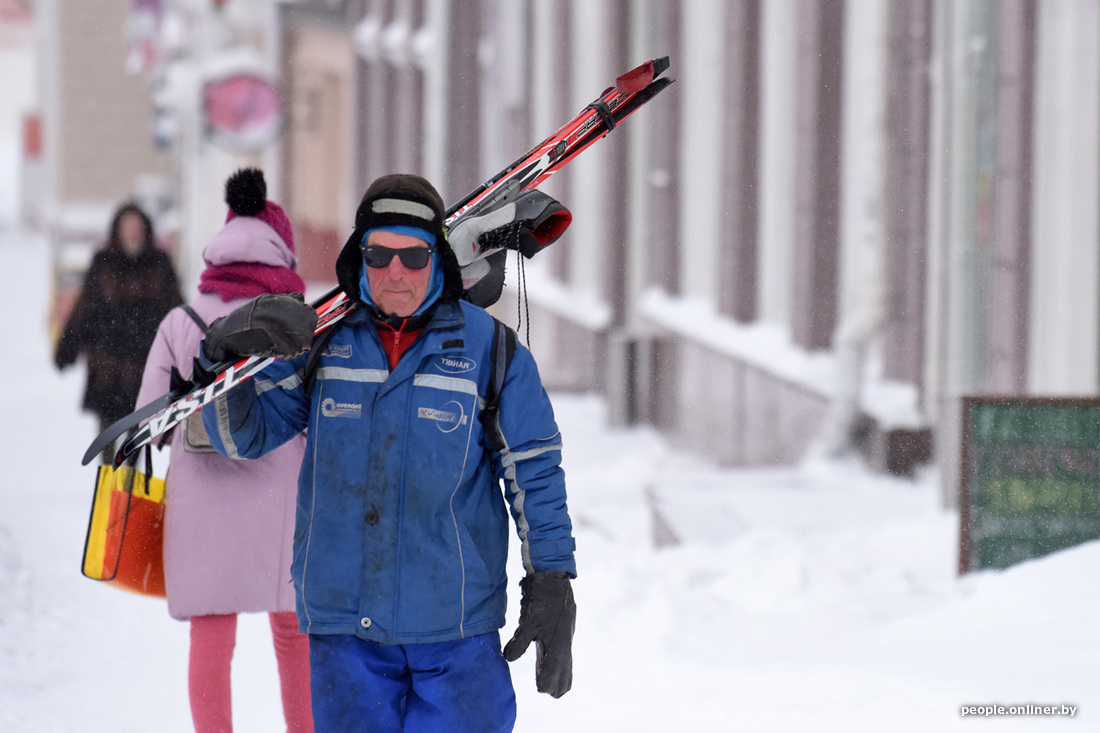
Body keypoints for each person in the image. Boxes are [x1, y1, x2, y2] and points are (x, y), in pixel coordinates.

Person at [200, 174, 577, 732]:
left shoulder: (490, 352)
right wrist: (223, 365)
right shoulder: (323, 345)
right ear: (360, 258)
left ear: (437, 259)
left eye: (412, 256)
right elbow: (242, 438)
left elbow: (535, 471)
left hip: (455, 629)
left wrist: (551, 578)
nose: (395, 272)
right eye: (379, 255)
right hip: (344, 629)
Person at [135, 169, 313, 733]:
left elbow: (150, 422)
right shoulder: (302, 324)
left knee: (211, 635)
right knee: (295, 633)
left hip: (203, 503)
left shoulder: (181, 322)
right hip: (286, 496)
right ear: (281, 249)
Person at [54, 202, 182, 454]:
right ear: (117, 231)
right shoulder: (103, 263)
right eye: (127, 228)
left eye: (137, 228)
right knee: (107, 445)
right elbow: (84, 309)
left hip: (144, 369)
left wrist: (186, 351)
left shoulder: (159, 264)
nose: (132, 234)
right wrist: (67, 347)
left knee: (138, 445)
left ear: (146, 231)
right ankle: (108, 481)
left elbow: (177, 312)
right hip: (107, 370)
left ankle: (132, 482)